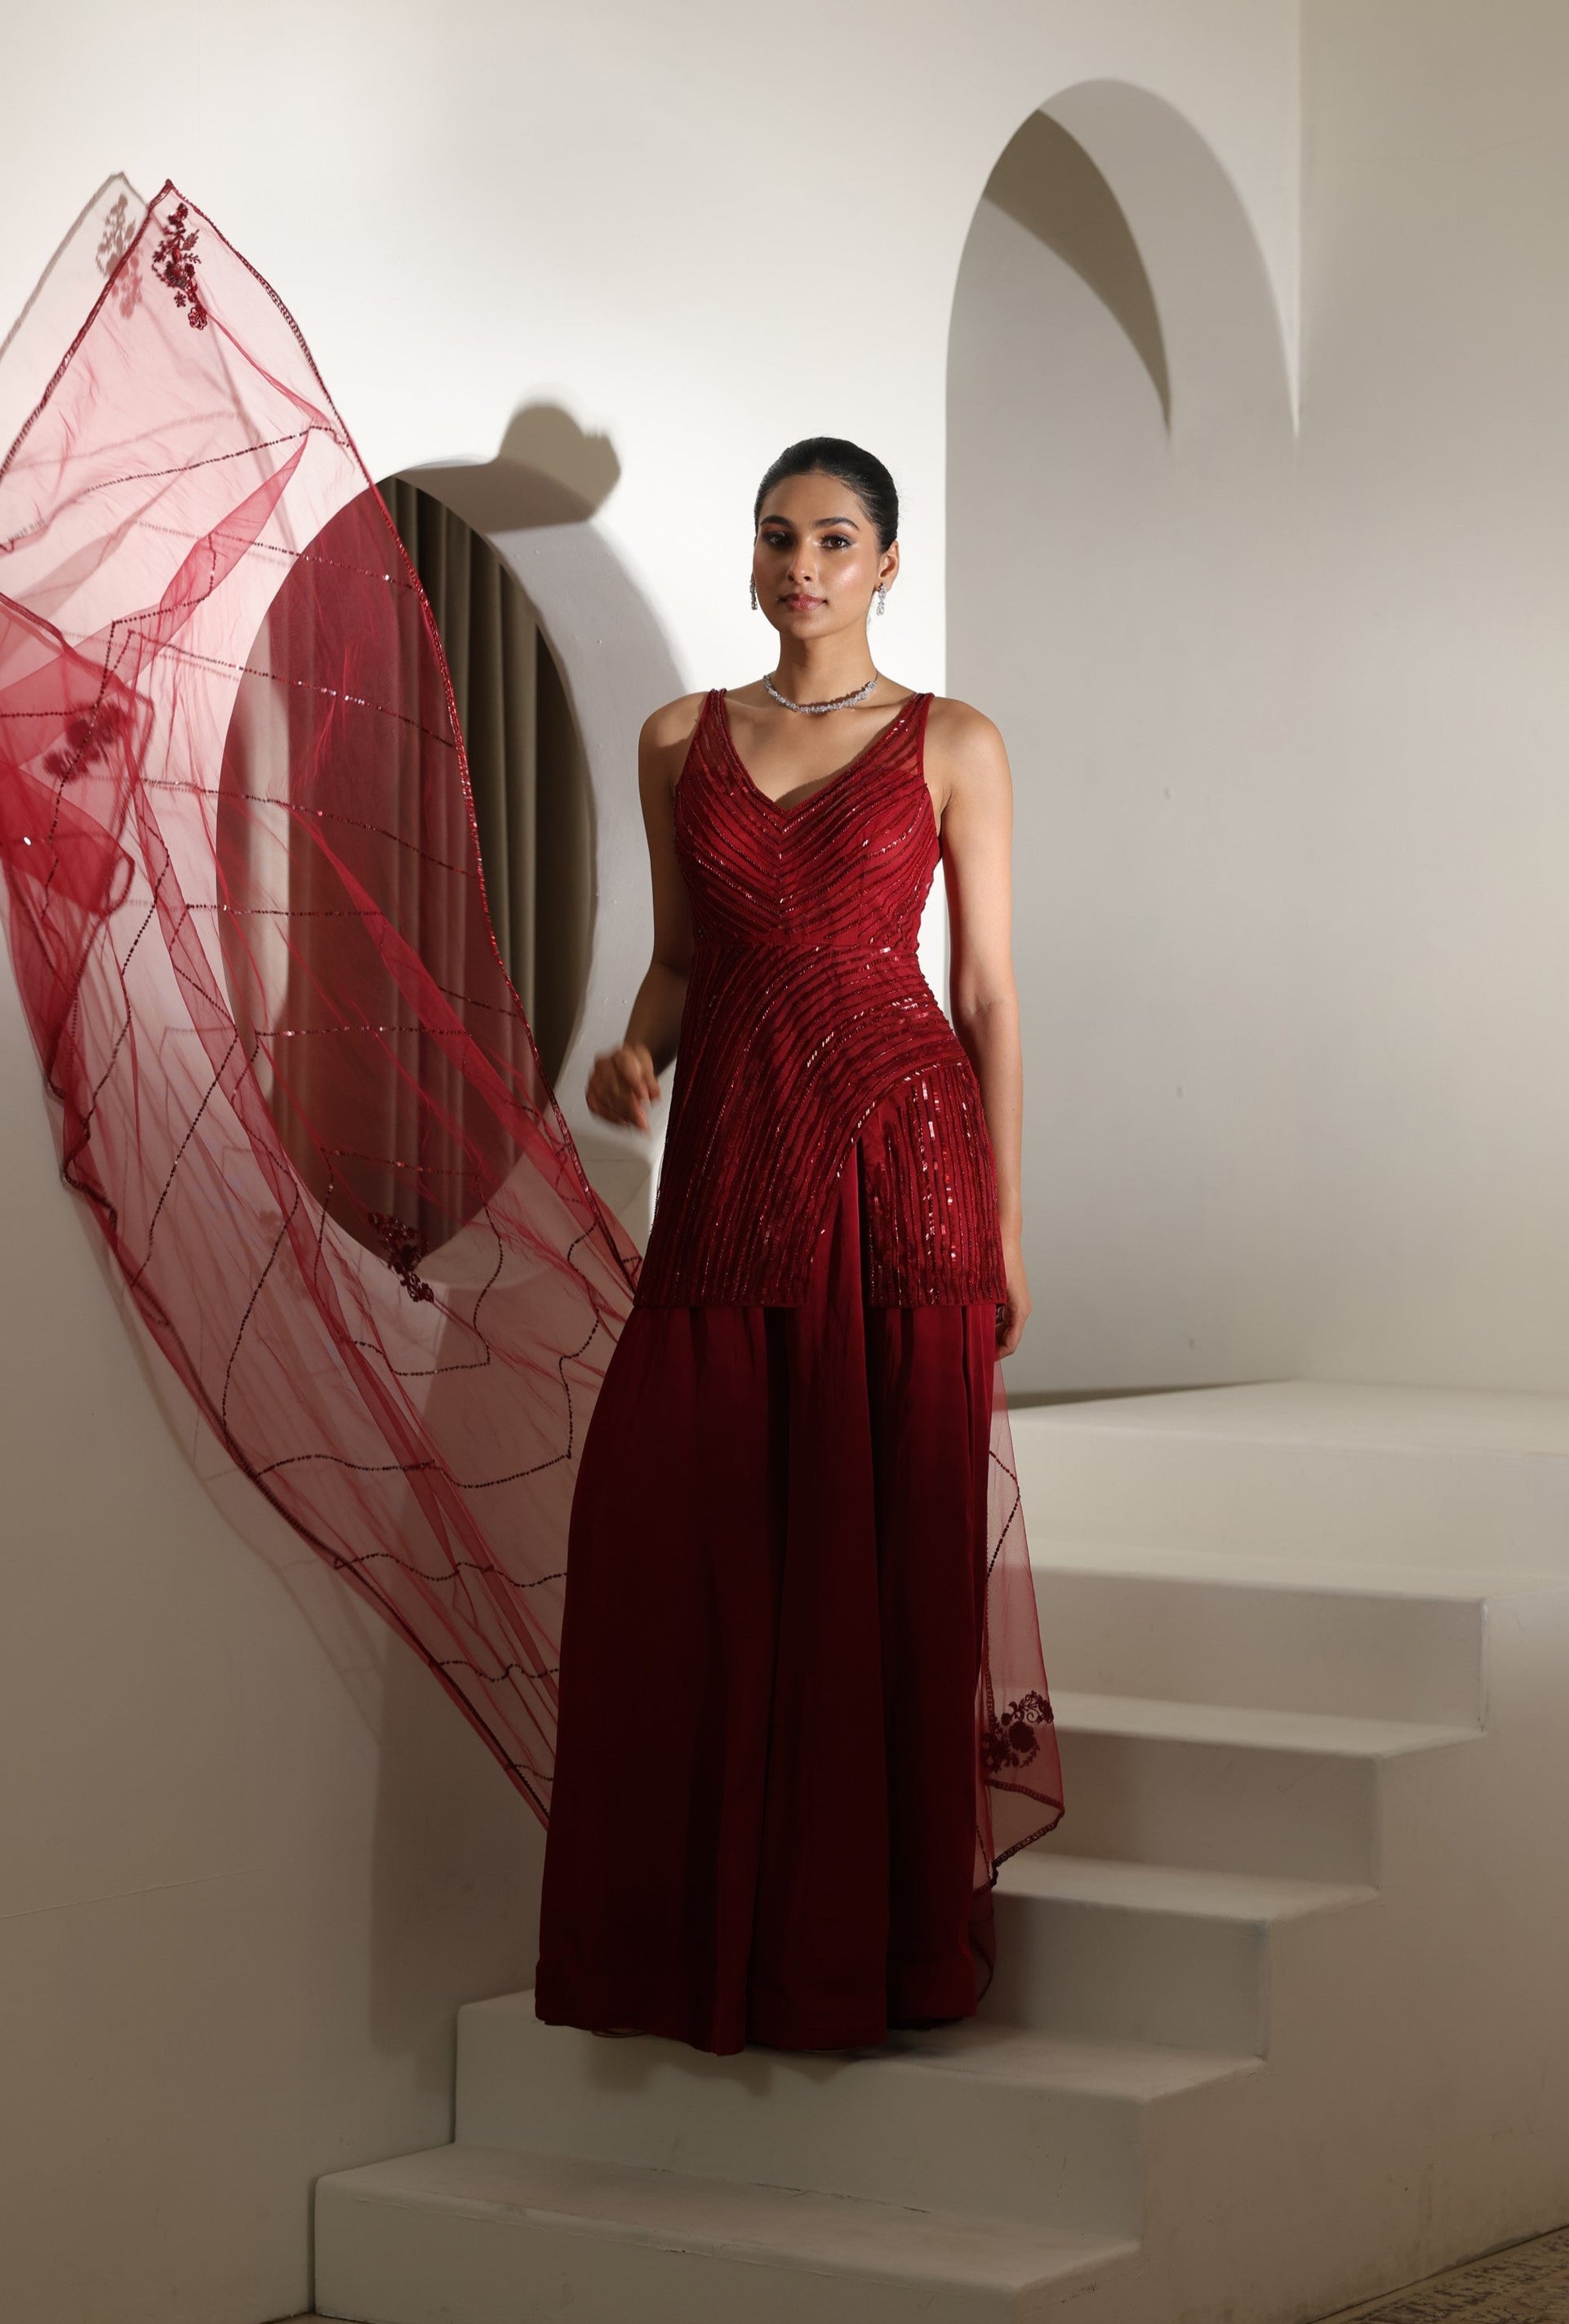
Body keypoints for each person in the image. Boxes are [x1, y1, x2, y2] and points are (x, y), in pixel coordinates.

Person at [533, 436, 1057, 2056]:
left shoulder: (952, 741)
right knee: (679, 1517)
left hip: (907, 1168)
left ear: (887, 563)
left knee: (880, 1544)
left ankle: (872, 1955)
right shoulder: (678, 739)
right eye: (778, 536)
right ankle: (707, 1944)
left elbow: (983, 997)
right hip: (731, 1168)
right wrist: (635, 1050)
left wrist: (1011, 1225)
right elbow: (685, 962)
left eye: (835, 538)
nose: (801, 562)